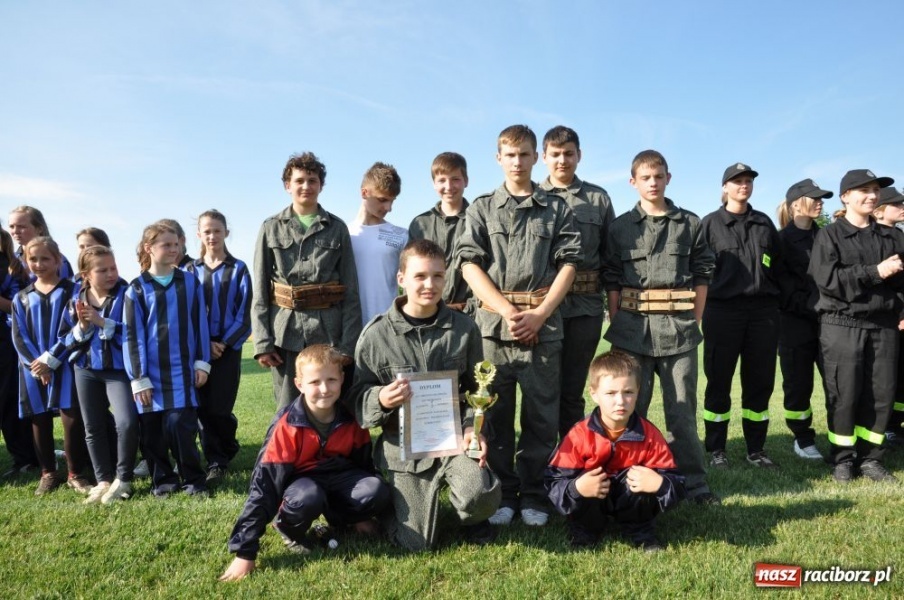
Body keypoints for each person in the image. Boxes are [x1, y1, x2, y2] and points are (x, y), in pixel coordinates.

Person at [455, 124, 582, 527]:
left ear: (535, 158)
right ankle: (504, 493)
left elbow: (570, 264)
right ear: (499, 158)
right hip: (494, 330)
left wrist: (540, 314)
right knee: (493, 417)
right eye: (510, 155)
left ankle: (535, 495)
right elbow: (469, 264)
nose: (518, 161)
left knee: (542, 418)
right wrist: (509, 312)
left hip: (544, 328)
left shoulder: (558, 208)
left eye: (525, 154)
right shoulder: (481, 208)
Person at [352, 239, 501, 550]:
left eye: (437, 276)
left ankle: (473, 517)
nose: (429, 285)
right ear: (402, 279)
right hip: (405, 446)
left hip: (453, 439)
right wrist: (380, 399)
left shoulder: (463, 329)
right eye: (420, 276)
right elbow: (355, 397)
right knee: (415, 543)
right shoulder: (376, 335)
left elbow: (479, 390)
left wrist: (474, 429)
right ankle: (394, 511)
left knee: (480, 495)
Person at [602, 149, 718, 504]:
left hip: (680, 331)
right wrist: (617, 320)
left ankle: (693, 484)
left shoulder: (690, 223)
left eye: (659, 176)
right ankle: (625, 478)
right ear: (633, 182)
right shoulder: (619, 227)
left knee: (681, 413)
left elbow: (703, 272)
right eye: (645, 178)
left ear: (669, 178)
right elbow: (612, 279)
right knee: (629, 411)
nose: (652, 183)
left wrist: (694, 318)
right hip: (631, 333)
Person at [221, 345, 390, 582]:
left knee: (375, 489)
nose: (324, 389)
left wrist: (360, 514)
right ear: (298, 384)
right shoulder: (286, 425)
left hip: (338, 477)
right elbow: (263, 489)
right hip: (302, 484)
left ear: (342, 379)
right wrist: (245, 551)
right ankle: (288, 527)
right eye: (314, 382)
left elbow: (363, 467)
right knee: (307, 496)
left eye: (331, 379)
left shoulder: (352, 417)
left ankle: (344, 521)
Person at [810, 170, 902, 483]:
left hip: (884, 325)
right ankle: (843, 460)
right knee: (844, 393)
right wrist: (875, 272)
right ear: (846, 196)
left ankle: (871, 459)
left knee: (881, 393)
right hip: (842, 324)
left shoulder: (893, 237)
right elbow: (829, 281)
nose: (872, 195)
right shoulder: (829, 236)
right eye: (863, 190)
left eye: (876, 189)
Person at [252, 152, 361, 410]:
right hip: (285, 336)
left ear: (320, 185)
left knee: (332, 403)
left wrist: (347, 345)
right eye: (299, 180)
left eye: (312, 180)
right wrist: (263, 343)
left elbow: (351, 291)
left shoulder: (337, 228)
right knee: (288, 408)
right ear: (287, 185)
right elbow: (260, 291)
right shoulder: (271, 228)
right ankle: (287, 452)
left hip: (329, 333)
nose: (306, 186)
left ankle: (335, 452)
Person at [546, 351, 685, 552]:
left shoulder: (649, 435)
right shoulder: (578, 434)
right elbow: (553, 481)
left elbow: (678, 483)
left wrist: (661, 484)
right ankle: (585, 530)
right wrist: (576, 488)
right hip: (592, 502)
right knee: (589, 479)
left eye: (628, 392)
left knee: (641, 478)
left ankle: (641, 531)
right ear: (593, 393)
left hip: (631, 501)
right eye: (610, 393)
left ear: (638, 391)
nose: (620, 401)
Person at [701, 163, 783, 469]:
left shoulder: (763, 223)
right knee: (718, 381)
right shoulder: (709, 224)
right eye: (737, 181)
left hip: (763, 313)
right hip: (722, 311)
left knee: (760, 382)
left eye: (748, 181)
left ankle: (756, 449)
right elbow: (697, 269)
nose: (743, 185)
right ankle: (716, 450)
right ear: (725, 187)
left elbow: (781, 265)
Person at [123, 221, 211, 497]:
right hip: (149, 377)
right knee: (152, 434)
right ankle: (163, 480)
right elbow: (131, 336)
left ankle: (194, 480)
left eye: (177, 244)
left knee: (181, 430)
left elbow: (200, 326)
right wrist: (139, 378)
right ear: (149, 248)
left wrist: (202, 362)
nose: (174, 249)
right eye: (166, 245)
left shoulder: (189, 282)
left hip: (182, 372)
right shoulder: (136, 289)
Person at [540, 125, 615, 438]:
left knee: (572, 390)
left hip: (585, 307)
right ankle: (542, 458)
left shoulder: (598, 198)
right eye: (555, 154)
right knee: (543, 390)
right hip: (544, 309)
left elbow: (611, 258)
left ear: (579, 156)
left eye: (568, 153)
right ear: (543, 157)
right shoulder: (532, 196)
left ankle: (572, 456)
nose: (562, 160)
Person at [11, 237, 91, 495]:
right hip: (32, 369)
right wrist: (36, 365)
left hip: (65, 364)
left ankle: (75, 472)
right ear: (25, 261)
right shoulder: (21, 298)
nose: (39, 264)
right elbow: (19, 336)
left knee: (71, 418)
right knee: (39, 418)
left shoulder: (73, 291)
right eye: (33, 259)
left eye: (46, 258)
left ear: (58, 260)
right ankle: (48, 472)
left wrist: (50, 361)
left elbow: (74, 329)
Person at [63, 245, 138, 504]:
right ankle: (103, 479)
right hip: (84, 370)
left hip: (117, 371)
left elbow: (134, 330)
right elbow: (65, 338)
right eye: (102, 270)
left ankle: (123, 478)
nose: (110, 274)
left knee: (126, 422)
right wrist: (82, 327)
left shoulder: (126, 295)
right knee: (92, 426)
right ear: (86, 274)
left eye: (113, 268)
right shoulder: (76, 299)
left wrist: (102, 322)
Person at [189, 210, 252, 485]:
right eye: (207, 231)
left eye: (217, 230)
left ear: (226, 232)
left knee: (220, 407)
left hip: (228, 347)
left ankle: (227, 444)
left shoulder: (238, 269)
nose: (212, 236)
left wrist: (224, 343)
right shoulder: (189, 271)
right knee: (202, 407)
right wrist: (203, 344)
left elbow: (245, 313)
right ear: (199, 235)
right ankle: (216, 461)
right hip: (199, 349)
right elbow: (186, 313)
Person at [775, 179, 833, 460]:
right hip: (794, 325)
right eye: (815, 198)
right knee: (798, 384)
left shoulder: (828, 236)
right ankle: (803, 438)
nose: (821, 202)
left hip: (830, 324)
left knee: (836, 383)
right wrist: (817, 305)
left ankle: (839, 437)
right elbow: (782, 287)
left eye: (822, 198)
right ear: (796, 203)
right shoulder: (780, 241)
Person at [408, 152, 472, 311]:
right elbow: (412, 270)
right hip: (428, 312)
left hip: (470, 312)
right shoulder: (420, 224)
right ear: (434, 184)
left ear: (466, 181)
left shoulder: (479, 219)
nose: (449, 187)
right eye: (442, 180)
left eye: (455, 179)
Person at [0, 226, 39, 477]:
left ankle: (25, 458)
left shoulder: (11, 266)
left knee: (8, 402)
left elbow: (19, 307)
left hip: (5, 342)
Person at [349, 162, 408, 325]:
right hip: (350, 328)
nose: (388, 208)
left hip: (390, 326)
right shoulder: (344, 234)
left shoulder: (401, 235)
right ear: (364, 193)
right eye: (382, 200)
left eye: (392, 201)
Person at [872, 186, 904, 448]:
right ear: (882, 208)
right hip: (883, 317)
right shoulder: (873, 236)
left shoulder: (899, 235)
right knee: (883, 378)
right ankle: (887, 428)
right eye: (898, 204)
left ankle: (896, 425)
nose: (903, 208)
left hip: (900, 314)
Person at [8, 206, 74, 280]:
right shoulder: (9, 258)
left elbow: (67, 289)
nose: (15, 231)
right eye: (11, 226)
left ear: (39, 229)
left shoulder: (57, 260)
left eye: (21, 227)